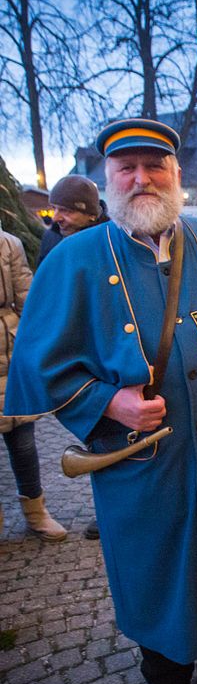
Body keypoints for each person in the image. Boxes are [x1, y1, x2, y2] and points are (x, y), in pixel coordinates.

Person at [5, 118, 197, 684]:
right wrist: (110, 404)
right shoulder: (75, 260)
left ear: (176, 175)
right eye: (126, 168)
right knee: (153, 561)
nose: (142, 179)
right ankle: (166, 680)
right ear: (108, 178)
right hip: (141, 458)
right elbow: (38, 364)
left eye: (154, 166)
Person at [39, 174, 110, 541]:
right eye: (56, 208)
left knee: (113, 435)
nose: (58, 216)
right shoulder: (53, 238)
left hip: (106, 352)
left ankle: (110, 509)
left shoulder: (110, 238)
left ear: (88, 212)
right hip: (74, 351)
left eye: (66, 209)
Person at [0, 221, 66, 542]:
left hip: (9, 352)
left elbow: (27, 297)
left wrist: (39, 344)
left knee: (23, 441)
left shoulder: (8, 244)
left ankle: (36, 511)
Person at [38, 174, 108, 265]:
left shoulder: (110, 240)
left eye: (66, 211)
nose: (55, 218)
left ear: (91, 215)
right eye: (54, 208)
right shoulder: (51, 236)